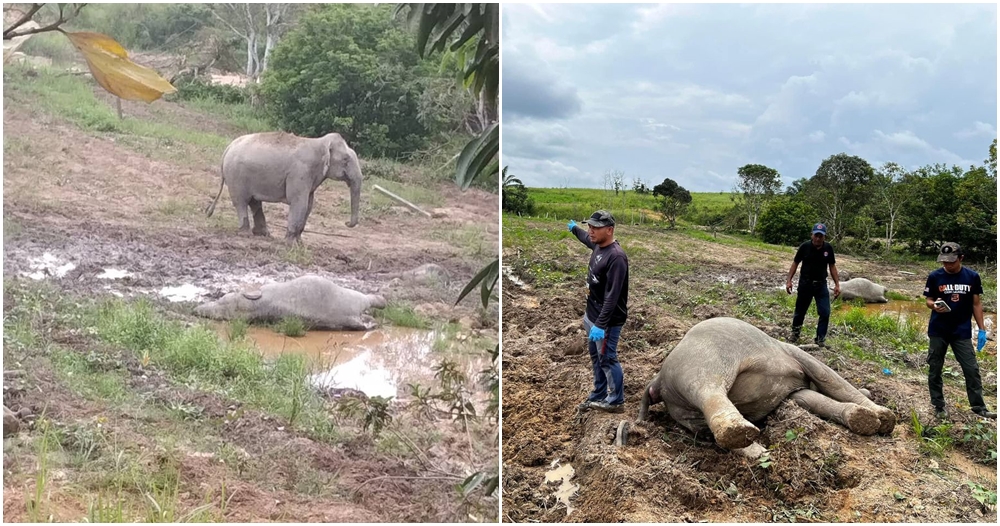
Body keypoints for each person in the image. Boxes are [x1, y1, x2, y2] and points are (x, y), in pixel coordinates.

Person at [923, 242, 995, 420]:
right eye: (944, 262)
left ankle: (979, 407)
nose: (947, 265)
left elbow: (976, 304)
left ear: (961, 258)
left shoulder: (972, 277)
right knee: (935, 368)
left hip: (961, 330)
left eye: (951, 261)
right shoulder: (935, 276)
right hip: (939, 329)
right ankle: (939, 406)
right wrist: (934, 305)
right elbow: (929, 300)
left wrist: (982, 330)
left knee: (971, 369)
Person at [568, 210, 629, 413]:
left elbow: (612, 296)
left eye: (596, 227)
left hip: (607, 321)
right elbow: (586, 238)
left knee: (607, 358)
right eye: (590, 226)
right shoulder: (597, 244)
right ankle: (599, 392)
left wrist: (601, 325)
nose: (590, 231)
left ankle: (615, 400)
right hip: (592, 315)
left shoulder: (616, 258)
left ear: (609, 230)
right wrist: (574, 229)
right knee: (596, 356)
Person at [785, 223, 840, 346]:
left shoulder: (828, 249)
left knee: (825, 312)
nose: (818, 238)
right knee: (800, 311)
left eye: (821, 236)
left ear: (824, 237)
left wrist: (837, 284)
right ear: (812, 235)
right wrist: (789, 280)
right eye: (816, 235)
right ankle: (795, 334)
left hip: (821, 285)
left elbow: (832, 266)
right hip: (806, 284)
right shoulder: (804, 247)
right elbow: (795, 263)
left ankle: (820, 339)